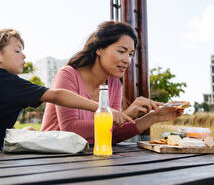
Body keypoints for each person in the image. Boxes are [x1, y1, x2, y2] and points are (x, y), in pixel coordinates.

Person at [0, 29, 133, 151]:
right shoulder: (7, 82)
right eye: (17, 51)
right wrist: (100, 108)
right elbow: (56, 95)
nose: (24, 55)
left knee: (30, 130)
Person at [41, 21, 181, 144]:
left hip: (88, 158)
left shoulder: (114, 84)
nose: (127, 60)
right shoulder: (67, 75)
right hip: (54, 157)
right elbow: (70, 130)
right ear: (99, 49)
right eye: (121, 51)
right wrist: (127, 114)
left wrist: (154, 117)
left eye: (131, 54)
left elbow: (111, 133)